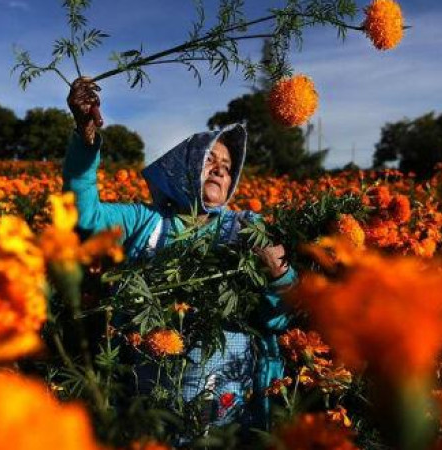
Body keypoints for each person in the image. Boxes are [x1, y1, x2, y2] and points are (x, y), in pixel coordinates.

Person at [62, 77, 296, 435]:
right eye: (210, 160)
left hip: (227, 420)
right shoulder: (147, 222)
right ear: (185, 164)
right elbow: (84, 216)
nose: (221, 169)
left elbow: (278, 316)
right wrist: (85, 138)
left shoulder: (247, 228)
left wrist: (279, 275)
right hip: (150, 407)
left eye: (228, 166)